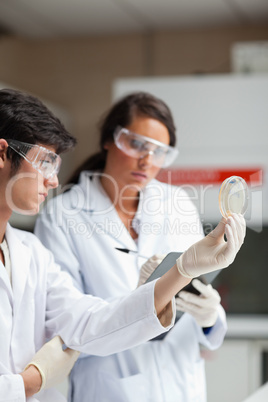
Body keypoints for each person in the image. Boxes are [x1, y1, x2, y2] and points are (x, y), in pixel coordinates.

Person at [0, 88, 245, 402]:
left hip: (180, 383)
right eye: (137, 144)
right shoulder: (64, 215)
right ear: (110, 139)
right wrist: (29, 383)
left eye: (160, 151)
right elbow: (67, 336)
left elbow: (85, 319)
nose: (147, 159)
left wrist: (204, 307)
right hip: (110, 389)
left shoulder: (27, 250)